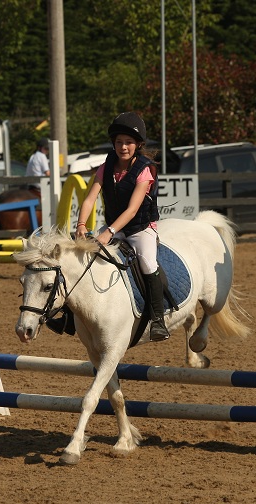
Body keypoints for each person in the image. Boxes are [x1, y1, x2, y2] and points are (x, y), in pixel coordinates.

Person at [74, 112, 169, 341]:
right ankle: (69, 316)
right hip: (114, 227)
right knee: (81, 258)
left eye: (128, 142)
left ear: (138, 144)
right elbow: (89, 199)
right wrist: (81, 224)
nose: (123, 147)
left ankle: (158, 320)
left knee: (147, 263)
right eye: (119, 142)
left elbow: (132, 210)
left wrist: (109, 232)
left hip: (140, 228)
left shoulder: (145, 169)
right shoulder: (105, 167)